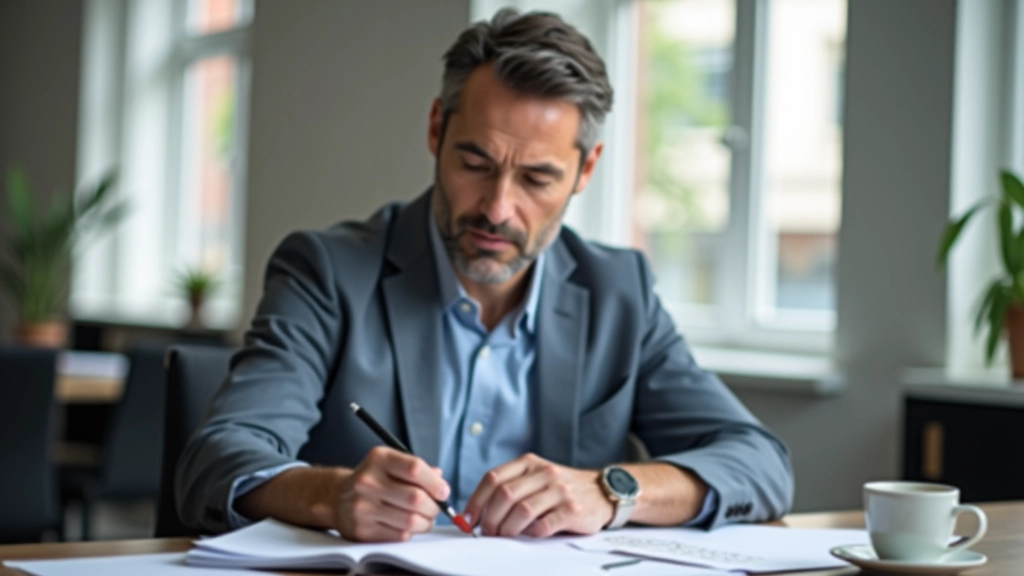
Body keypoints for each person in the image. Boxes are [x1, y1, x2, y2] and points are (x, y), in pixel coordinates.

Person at [176, 8, 793, 543]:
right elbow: (217, 460)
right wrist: (330, 495)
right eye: (476, 162)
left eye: (536, 178)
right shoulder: (328, 272)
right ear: (436, 130)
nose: (497, 208)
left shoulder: (618, 293)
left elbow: (760, 462)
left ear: (585, 170)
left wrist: (612, 492)